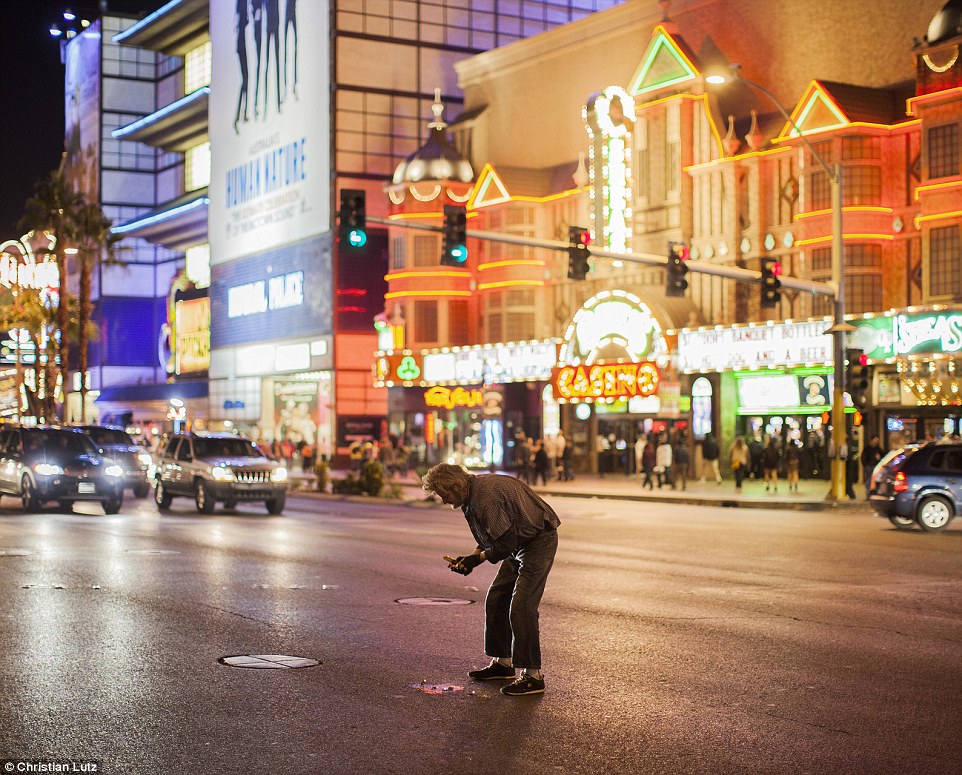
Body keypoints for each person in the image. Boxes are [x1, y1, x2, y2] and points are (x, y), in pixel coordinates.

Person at [421, 463, 560, 697]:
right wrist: (471, 558)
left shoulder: (485, 496)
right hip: (518, 541)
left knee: (522, 606)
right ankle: (503, 664)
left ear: (455, 486)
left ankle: (533, 676)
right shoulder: (470, 496)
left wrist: (477, 560)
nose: (443, 500)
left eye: (443, 494)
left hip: (537, 541)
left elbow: (504, 543)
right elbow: (492, 537)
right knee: (496, 598)